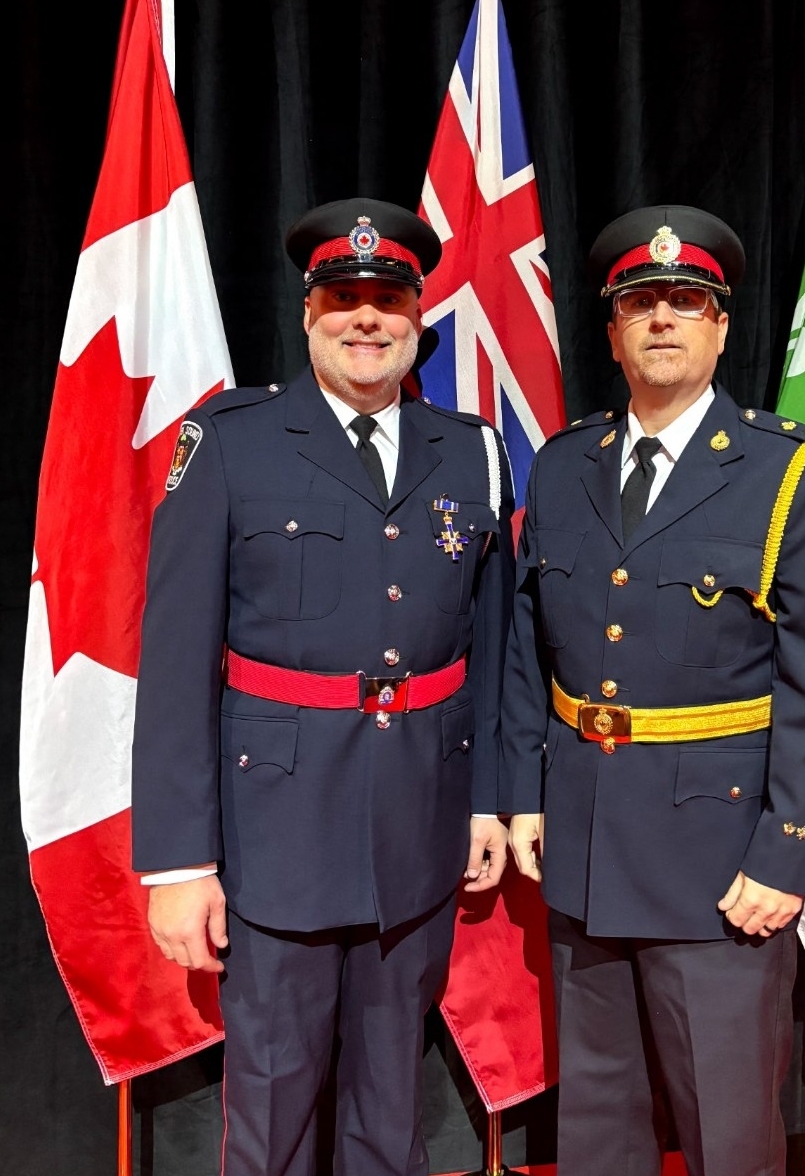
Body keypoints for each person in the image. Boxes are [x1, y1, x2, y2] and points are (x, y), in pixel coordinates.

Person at [131, 198, 514, 1176]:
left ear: (417, 314)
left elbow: (491, 643)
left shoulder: (469, 450)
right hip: (275, 833)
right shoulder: (231, 440)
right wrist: (177, 862)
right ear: (309, 312)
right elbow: (174, 661)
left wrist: (486, 801)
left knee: (390, 1109)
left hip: (418, 827)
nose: (366, 317)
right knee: (273, 1110)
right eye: (343, 297)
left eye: (387, 297)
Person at [501, 205, 805, 1176]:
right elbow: (528, 645)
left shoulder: (789, 469)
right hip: (584, 848)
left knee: (726, 1132)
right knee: (596, 1127)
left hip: (720, 864)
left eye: (686, 300)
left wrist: (789, 854)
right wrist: (526, 792)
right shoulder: (563, 463)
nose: (662, 316)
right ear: (611, 329)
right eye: (641, 301)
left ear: (719, 325)